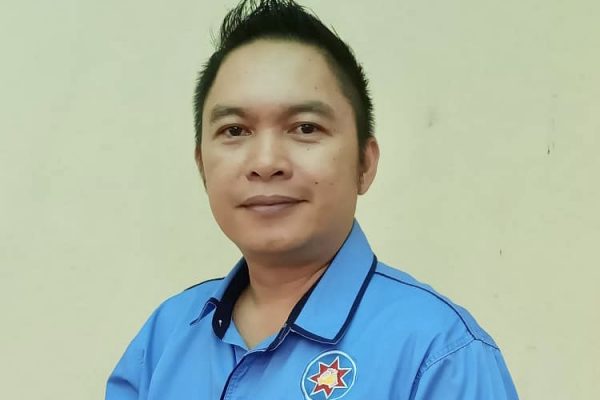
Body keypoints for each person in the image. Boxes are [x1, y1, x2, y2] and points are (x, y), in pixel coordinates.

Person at [106, 0, 519, 399]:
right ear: (202, 166)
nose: (266, 162)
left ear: (364, 163)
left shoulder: (439, 354)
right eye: (235, 130)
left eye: (305, 128)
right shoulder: (164, 339)